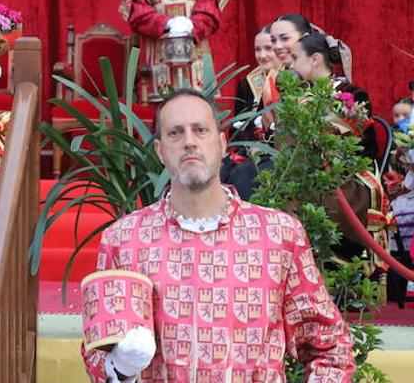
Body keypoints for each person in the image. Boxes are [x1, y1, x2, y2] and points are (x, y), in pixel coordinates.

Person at [82, 89, 354, 382]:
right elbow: (98, 350)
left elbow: (330, 347)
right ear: (160, 151)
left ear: (222, 144)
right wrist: (120, 368)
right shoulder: (125, 240)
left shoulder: (278, 235)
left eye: (200, 130)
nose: (189, 142)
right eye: (175, 133)